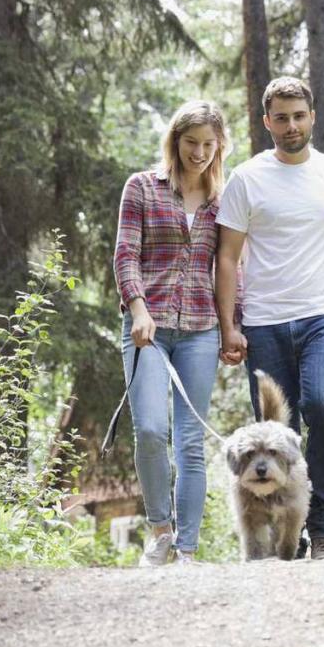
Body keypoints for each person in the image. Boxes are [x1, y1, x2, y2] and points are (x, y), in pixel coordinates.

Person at [215, 76, 324, 560]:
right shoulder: (246, 179)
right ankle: (288, 525)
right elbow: (226, 258)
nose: (290, 125)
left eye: (298, 116)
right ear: (267, 122)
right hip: (264, 321)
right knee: (277, 434)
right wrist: (229, 325)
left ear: (313, 118)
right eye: (280, 117)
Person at [114, 100, 232, 567]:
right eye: (191, 143)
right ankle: (160, 530)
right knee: (148, 429)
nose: (199, 152)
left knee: (190, 440)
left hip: (201, 330)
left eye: (208, 144)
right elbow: (125, 254)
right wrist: (138, 308)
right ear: (175, 141)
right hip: (148, 329)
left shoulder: (224, 202)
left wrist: (231, 327)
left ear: (219, 145)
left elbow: (229, 271)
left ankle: (187, 550)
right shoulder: (142, 188)